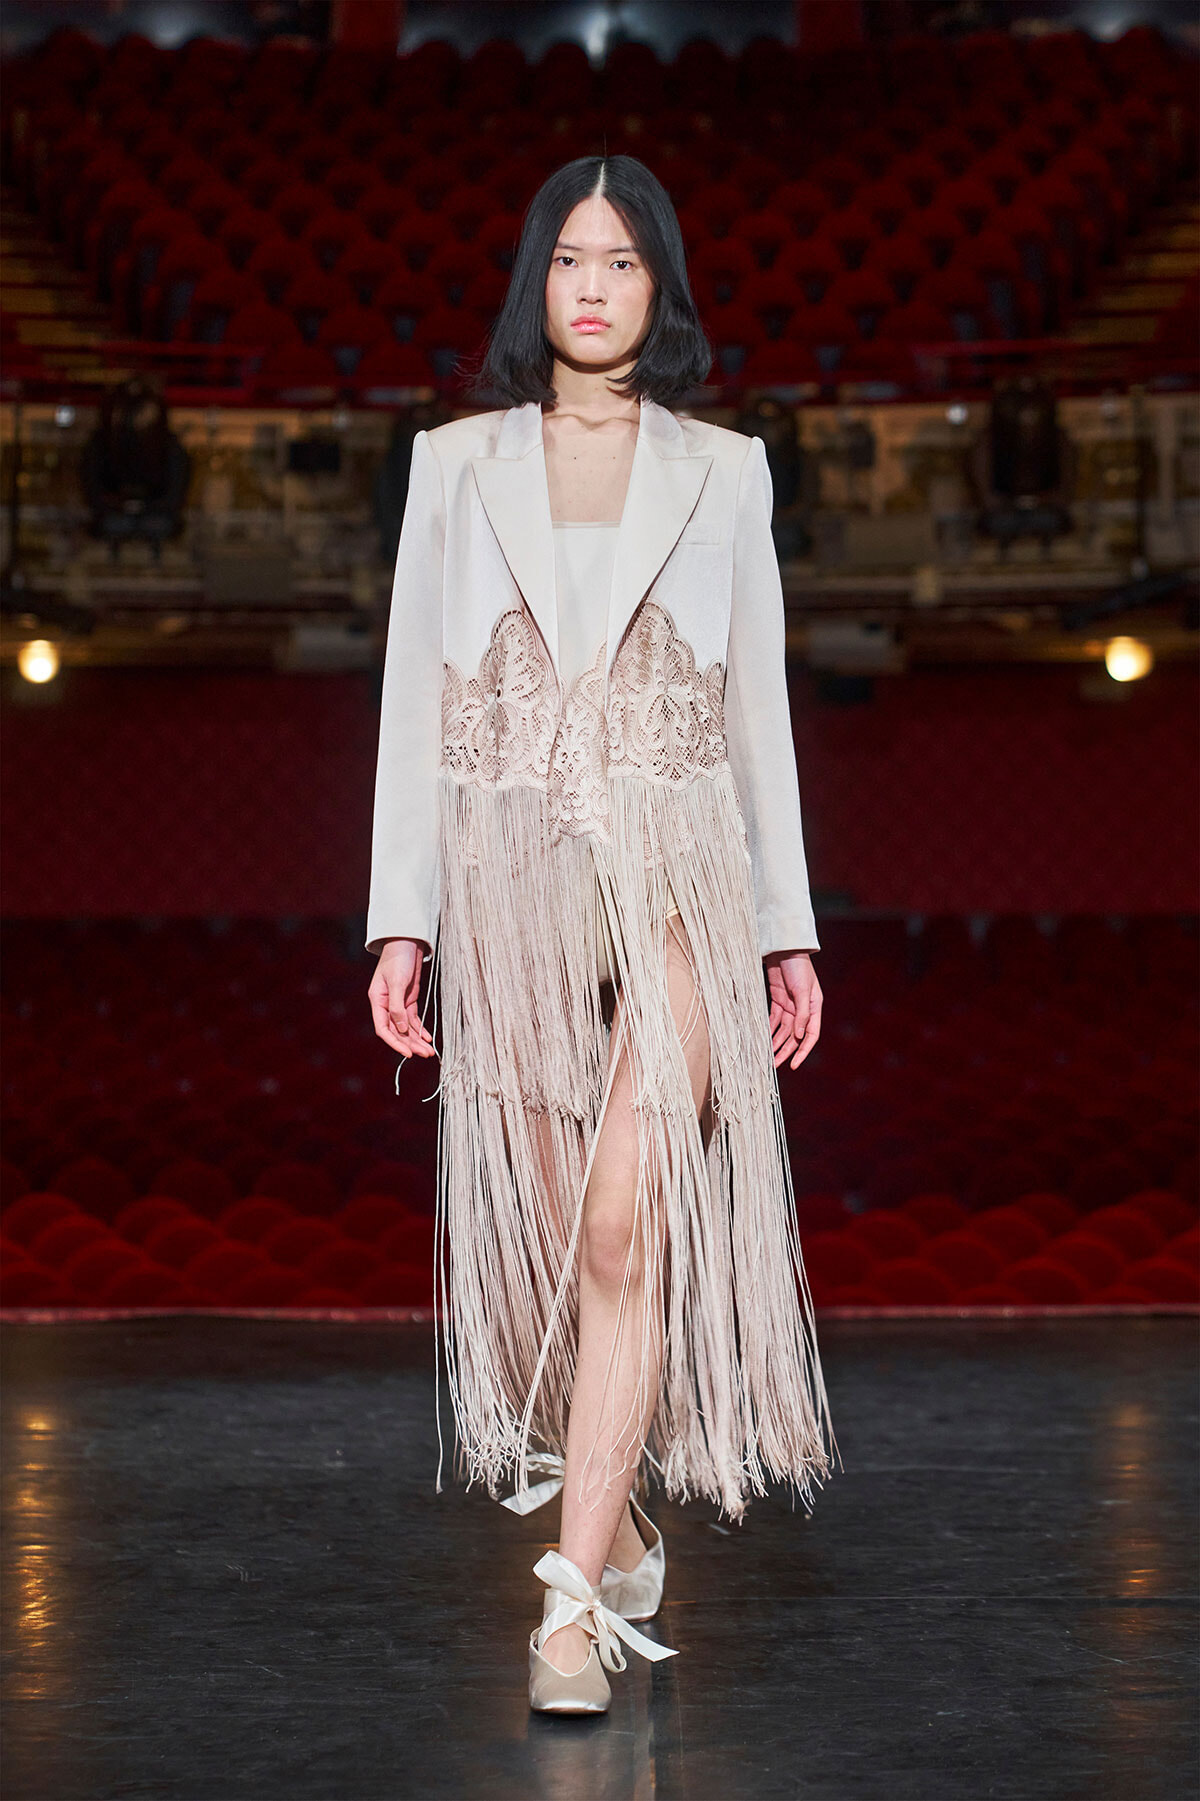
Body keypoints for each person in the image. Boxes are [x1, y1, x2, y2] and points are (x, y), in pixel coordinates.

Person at [366, 154, 836, 1715]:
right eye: (571, 257)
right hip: (506, 871)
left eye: (624, 261)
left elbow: (758, 714)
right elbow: (413, 706)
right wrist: (401, 921)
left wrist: (787, 931)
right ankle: (615, 1517)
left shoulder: (726, 469)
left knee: (628, 1218)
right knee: (544, 1267)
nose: (593, 285)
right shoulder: (453, 464)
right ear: (536, 278)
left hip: (682, 861)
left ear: (660, 287)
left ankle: (570, 1611)